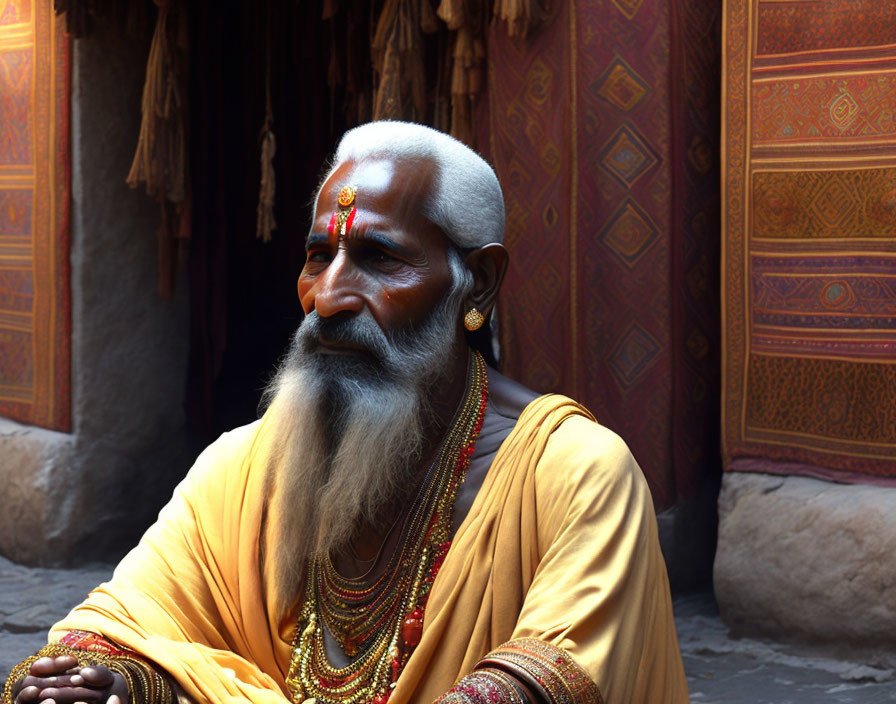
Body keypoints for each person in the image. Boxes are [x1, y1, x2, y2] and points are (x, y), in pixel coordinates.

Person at [3, 121, 688, 704]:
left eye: (379, 258)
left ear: (476, 281)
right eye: (318, 255)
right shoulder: (243, 467)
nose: (328, 297)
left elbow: (545, 683)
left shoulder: (575, 476)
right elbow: (120, 626)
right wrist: (107, 683)